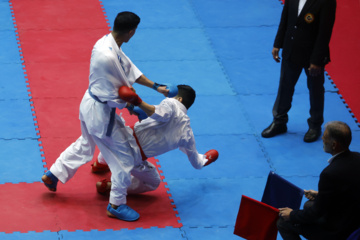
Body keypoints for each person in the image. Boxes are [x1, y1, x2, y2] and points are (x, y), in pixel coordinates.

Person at [41, 11, 173, 222]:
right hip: (101, 114)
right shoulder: (109, 56)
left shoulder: (105, 42)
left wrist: (156, 86)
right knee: (124, 160)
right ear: (131, 31)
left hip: (88, 103)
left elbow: (129, 69)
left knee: (86, 143)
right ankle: (116, 205)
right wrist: (136, 106)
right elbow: (119, 94)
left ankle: (53, 174)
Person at [92, 85, 219, 196]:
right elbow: (196, 163)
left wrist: (137, 102)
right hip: (133, 159)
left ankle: (100, 164)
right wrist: (205, 159)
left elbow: (159, 113)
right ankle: (110, 187)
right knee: (153, 182)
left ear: (178, 99)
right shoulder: (187, 134)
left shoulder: (171, 103)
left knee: (115, 138)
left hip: (118, 139)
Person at [261, 0, 336, 142]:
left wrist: (317, 60)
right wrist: (278, 43)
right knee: (285, 87)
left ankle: (315, 125)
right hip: (291, 49)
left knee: (315, 90)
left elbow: (325, 32)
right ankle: (279, 121)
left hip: (313, 55)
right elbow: (285, 18)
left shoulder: (327, 1)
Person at [277, 121, 360, 240]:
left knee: (283, 223)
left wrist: (291, 215)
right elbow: (348, 190)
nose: (322, 138)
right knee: (308, 204)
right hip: (354, 220)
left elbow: (316, 213)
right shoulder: (357, 158)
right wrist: (320, 195)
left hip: (337, 231)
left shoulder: (329, 174)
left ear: (334, 145)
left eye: (325, 137)